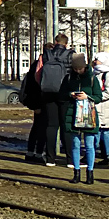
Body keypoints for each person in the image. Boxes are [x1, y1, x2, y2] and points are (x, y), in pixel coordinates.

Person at [61, 53, 103, 184]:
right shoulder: (68, 79)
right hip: (73, 113)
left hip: (88, 114)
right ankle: (76, 172)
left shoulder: (92, 79)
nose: (78, 71)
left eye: (80, 68)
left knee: (90, 145)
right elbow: (61, 94)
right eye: (75, 69)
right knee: (75, 144)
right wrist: (70, 94)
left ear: (85, 66)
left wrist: (87, 97)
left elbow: (99, 97)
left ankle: (90, 173)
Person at [36, 33, 74, 166]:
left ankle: (50, 158)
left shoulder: (46, 54)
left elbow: (38, 74)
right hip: (65, 94)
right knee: (66, 126)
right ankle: (70, 159)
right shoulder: (71, 55)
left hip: (48, 93)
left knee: (51, 126)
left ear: (56, 42)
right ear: (66, 43)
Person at [91, 51, 109, 166]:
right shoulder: (96, 73)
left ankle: (107, 155)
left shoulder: (107, 74)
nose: (95, 61)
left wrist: (96, 97)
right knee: (97, 130)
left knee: (104, 131)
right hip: (96, 107)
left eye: (97, 59)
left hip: (104, 107)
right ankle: (98, 154)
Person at [21, 51, 47, 163]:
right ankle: (39, 153)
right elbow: (35, 88)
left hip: (36, 103)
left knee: (36, 127)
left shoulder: (35, 65)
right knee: (42, 128)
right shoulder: (42, 67)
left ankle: (31, 152)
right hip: (41, 102)